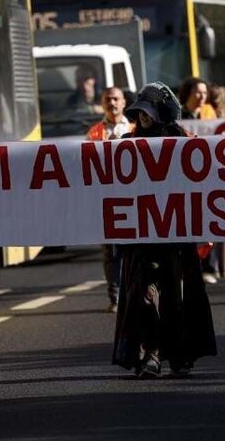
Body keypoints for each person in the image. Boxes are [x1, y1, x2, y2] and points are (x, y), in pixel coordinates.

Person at [112, 82, 217, 378]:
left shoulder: (183, 141)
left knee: (178, 295)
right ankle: (151, 354)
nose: (143, 118)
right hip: (143, 237)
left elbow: (204, 179)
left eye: (148, 112)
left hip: (177, 236)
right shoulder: (127, 143)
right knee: (147, 294)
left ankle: (179, 355)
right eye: (140, 112)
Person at [86, 87, 135, 313]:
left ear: (124, 102)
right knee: (110, 252)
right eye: (108, 99)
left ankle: (134, 293)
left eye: (116, 99)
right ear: (102, 103)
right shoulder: (94, 132)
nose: (112, 103)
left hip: (133, 198)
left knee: (134, 249)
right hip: (106, 199)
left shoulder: (135, 129)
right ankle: (115, 297)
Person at [178, 76, 225, 282]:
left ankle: (209, 266)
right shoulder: (177, 115)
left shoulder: (212, 115)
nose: (201, 96)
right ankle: (190, 266)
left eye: (204, 92)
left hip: (208, 175)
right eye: (197, 92)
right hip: (185, 176)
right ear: (188, 94)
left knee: (209, 219)